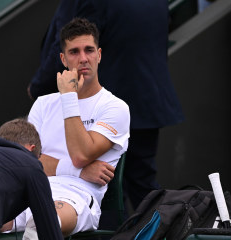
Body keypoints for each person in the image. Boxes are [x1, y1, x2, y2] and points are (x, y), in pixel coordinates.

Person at [0, 17, 130, 240]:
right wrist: (79, 169)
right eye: (74, 52)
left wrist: (69, 97)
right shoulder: (44, 104)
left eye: (88, 50)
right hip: (27, 188)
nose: (82, 58)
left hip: (77, 198)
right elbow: (23, 161)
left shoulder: (115, 107)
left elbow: (81, 153)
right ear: (62, 58)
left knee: (42, 218)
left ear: (99, 54)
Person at [28, 0, 184, 211]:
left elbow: (72, 43)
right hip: (148, 101)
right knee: (141, 188)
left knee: (102, 191)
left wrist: (40, 87)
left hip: (104, 108)